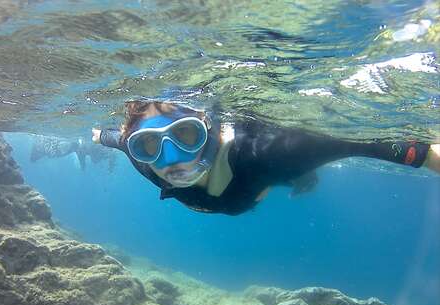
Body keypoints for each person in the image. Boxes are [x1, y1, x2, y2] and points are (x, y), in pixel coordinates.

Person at [92, 100, 440, 215]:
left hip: (267, 171)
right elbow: (114, 138)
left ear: (208, 127)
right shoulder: (140, 157)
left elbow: (371, 145)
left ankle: (303, 177)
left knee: (290, 170)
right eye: (149, 145)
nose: (171, 160)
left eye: (185, 135)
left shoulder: (267, 153)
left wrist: (426, 156)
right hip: (249, 189)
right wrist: (99, 136)